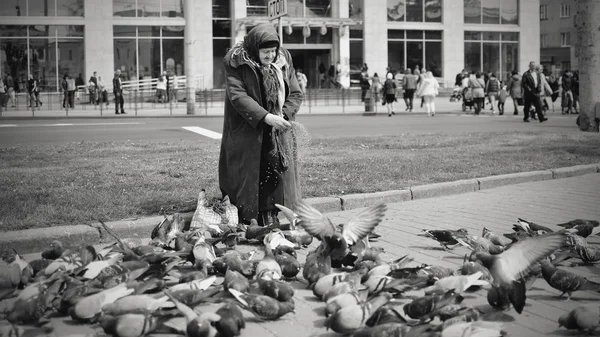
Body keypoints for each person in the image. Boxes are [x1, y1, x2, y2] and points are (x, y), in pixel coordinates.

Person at [219, 23, 303, 227]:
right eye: (266, 52)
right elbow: (238, 95)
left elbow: (296, 93)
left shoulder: (283, 58)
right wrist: (265, 117)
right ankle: (246, 211)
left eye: (273, 51)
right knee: (248, 171)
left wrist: (283, 115)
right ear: (255, 49)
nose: (270, 56)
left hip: (277, 126)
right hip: (248, 127)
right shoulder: (236, 60)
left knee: (275, 169)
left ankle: (270, 212)